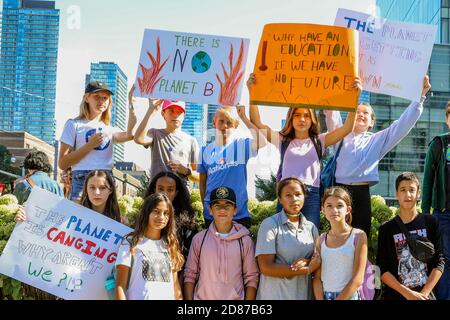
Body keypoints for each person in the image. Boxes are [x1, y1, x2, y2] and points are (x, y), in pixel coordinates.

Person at [247, 73, 358, 229]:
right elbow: (257, 122)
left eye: (306, 115)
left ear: (312, 119)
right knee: (284, 235)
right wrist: (252, 92)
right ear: (291, 119)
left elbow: (347, 128)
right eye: (297, 115)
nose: (302, 119)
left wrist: (355, 97)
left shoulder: (320, 140)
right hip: (287, 194)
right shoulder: (282, 140)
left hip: (312, 195)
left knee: (310, 237)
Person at [324, 76, 432, 237]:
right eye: (357, 111)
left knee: (361, 237)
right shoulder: (340, 134)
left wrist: (420, 97)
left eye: (365, 113)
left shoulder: (376, 140)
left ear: (371, 123)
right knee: (337, 236)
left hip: (361, 193)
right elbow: (331, 113)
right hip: (339, 191)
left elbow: (402, 125)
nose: (361, 115)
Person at [58, 80, 137, 201]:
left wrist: (131, 104)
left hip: (105, 179)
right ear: (86, 98)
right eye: (96, 97)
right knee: (79, 217)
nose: (101, 101)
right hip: (81, 179)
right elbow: (63, 163)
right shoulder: (73, 124)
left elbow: (130, 135)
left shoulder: (109, 129)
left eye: (105, 98)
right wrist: (89, 146)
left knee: (104, 218)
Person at [377, 172, 445, 300]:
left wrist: (423, 294)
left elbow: (439, 261)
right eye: (403, 190)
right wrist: (408, 294)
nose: (408, 195)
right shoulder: (386, 229)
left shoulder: (431, 222)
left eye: (412, 190)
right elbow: (382, 268)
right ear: (397, 193)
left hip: (425, 295)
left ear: (418, 193)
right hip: (396, 295)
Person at [183, 186, 259, 300]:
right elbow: (190, 275)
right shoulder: (199, 239)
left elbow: (251, 278)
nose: (222, 210)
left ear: (235, 210)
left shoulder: (244, 241)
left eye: (227, 206)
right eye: (217, 206)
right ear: (210, 209)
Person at [198, 106, 266, 229]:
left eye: (229, 123)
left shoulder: (241, 145)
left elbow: (262, 141)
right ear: (214, 123)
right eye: (221, 122)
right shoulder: (204, 150)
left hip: (238, 215)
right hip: (212, 215)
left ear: (235, 126)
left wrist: (243, 117)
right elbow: (202, 182)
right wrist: (205, 207)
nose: (225, 126)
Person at [255, 177, 320, 300]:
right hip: (273, 296)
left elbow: (317, 260)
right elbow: (266, 267)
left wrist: (307, 261)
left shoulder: (311, 228)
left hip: (302, 295)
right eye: (288, 195)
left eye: (298, 194)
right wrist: (305, 270)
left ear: (304, 197)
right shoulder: (270, 224)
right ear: (280, 200)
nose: (294, 199)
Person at [115, 193, 184, 300]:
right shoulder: (130, 242)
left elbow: (175, 287)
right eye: (156, 212)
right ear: (146, 213)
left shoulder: (171, 245)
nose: (161, 217)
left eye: (166, 213)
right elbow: (120, 286)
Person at [133, 92, 199, 188]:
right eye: (171, 111)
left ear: (184, 115)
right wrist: (150, 110)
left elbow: (199, 176)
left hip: (181, 194)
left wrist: (186, 171)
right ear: (163, 114)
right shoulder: (155, 134)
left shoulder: (191, 141)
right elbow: (138, 139)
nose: (175, 115)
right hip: (158, 192)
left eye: (179, 112)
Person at [312, 186, 368, 300]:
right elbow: (317, 278)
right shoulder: (321, 239)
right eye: (329, 206)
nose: (334, 210)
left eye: (339, 206)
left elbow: (358, 278)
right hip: (325, 296)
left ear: (348, 209)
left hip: (350, 296)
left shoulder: (358, 236)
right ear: (323, 209)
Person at [16, 170, 122, 223]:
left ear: (110, 190)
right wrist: (25, 218)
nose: (97, 192)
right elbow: (44, 224)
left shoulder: (120, 222)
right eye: (92, 187)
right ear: (86, 189)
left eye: (102, 188)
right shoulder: (70, 211)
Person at [421, 101, 450, 300]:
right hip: (444, 213)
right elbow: (427, 181)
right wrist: (424, 214)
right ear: (447, 119)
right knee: (444, 261)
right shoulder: (439, 144)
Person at [144, 171, 197, 261]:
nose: (164, 193)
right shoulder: (144, 215)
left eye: (170, 190)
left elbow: (190, 256)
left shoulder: (187, 222)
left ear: (176, 193)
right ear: (154, 190)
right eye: (160, 189)